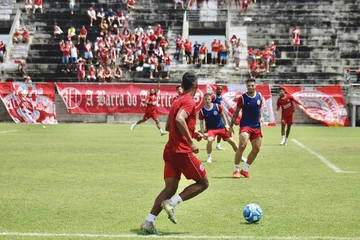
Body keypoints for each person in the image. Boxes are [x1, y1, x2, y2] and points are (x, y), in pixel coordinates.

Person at [140, 72, 208, 234]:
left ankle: (148, 222)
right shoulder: (189, 101)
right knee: (203, 183)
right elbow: (179, 119)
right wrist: (191, 142)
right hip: (181, 152)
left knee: (169, 188)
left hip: (170, 151)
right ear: (196, 86)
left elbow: (168, 127)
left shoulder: (177, 101)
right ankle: (172, 203)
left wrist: (192, 133)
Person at [229, 78, 264, 179]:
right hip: (245, 125)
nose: (250, 87)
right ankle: (236, 170)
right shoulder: (242, 98)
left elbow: (259, 109)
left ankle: (245, 170)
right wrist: (231, 126)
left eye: (252, 85)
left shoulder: (259, 96)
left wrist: (261, 117)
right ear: (246, 86)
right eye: (249, 86)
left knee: (256, 149)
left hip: (256, 126)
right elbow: (236, 112)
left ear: (255, 86)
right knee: (243, 145)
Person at [199, 93, 247, 163]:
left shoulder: (217, 106)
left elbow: (223, 115)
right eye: (205, 99)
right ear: (203, 100)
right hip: (211, 130)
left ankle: (241, 157)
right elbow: (201, 122)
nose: (207, 101)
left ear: (211, 99)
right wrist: (203, 133)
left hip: (221, 128)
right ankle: (209, 157)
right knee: (209, 140)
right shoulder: (202, 111)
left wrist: (226, 125)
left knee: (232, 142)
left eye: (208, 99)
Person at [211, 85, 225, 150]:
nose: (220, 90)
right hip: (212, 116)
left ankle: (218, 145)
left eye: (221, 89)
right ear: (216, 90)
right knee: (210, 131)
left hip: (218, 116)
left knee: (221, 130)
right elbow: (207, 103)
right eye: (218, 89)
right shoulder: (213, 96)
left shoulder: (221, 97)